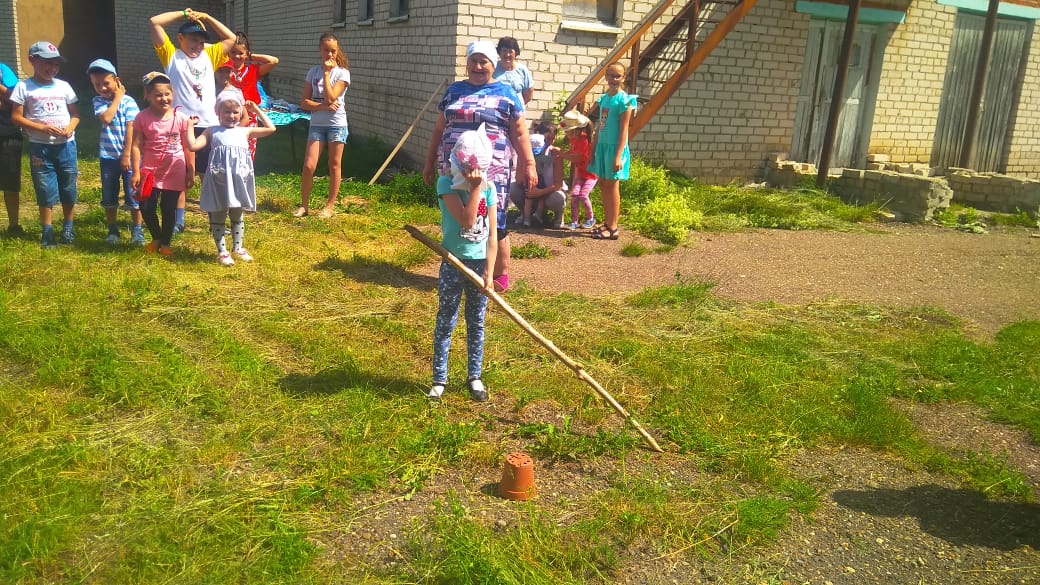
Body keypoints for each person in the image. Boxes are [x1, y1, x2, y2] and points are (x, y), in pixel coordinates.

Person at [424, 40, 536, 293]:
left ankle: (498, 273)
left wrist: (529, 163)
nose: (477, 66)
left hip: (493, 171)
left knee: (495, 220)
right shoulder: (454, 91)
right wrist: (429, 162)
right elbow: (439, 129)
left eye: (483, 61)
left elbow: (520, 133)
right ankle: (459, 270)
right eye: (473, 61)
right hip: (453, 170)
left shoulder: (506, 93)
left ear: (493, 64)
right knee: (458, 219)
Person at [150, 8, 236, 234]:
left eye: (201, 41)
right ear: (180, 38)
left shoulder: (210, 56)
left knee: (210, 175)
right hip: (181, 125)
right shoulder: (171, 56)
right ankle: (178, 221)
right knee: (180, 174)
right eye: (192, 40)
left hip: (207, 126)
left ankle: (215, 222)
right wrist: (183, 14)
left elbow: (231, 38)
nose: (197, 45)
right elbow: (155, 22)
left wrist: (207, 17)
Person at [429, 128, 498, 402]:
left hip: (479, 266)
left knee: (476, 321)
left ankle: (474, 376)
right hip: (453, 262)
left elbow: (492, 235)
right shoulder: (446, 185)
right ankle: (439, 379)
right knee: (446, 319)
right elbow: (468, 222)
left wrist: (490, 274)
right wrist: (475, 188)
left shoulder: (490, 189)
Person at [186, 90, 275, 265]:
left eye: (235, 112)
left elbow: (271, 128)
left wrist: (256, 110)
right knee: (218, 214)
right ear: (218, 112)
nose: (231, 116)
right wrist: (190, 127)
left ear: (241, 113)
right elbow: (193, 146)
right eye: (226, 111)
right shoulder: (212, 131)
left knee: (237, 213)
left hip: (238, 181)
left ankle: (238, 248)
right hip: (219, 181)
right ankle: (222, 252)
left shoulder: (245, 131)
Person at [9, 42, 80, 249]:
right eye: (48, 63)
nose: (52, 68)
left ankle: (68, 226)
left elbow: (75, 114)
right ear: (32, 60)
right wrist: (42, 128)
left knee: (68, 186)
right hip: (40, 148)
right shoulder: (24, 87)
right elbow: (16, 117)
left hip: (66, 146)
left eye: (56, 64)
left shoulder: (63, 86)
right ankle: (47, 230)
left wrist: (71, 127)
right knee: (44, 188)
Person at [131, 71, 194, 257]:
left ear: (173, 94)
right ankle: (156, 237)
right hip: (150, 171)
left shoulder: (181, 118)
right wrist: (136, 171)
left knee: (168, 208)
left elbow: (188, 147)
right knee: (146, 206)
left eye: (167, 94)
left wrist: (190, 171)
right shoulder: (142, 118)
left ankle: (165, 243)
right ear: (148, 95)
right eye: (158, 95)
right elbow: (136, 146)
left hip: (175, 170)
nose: (164, 98)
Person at [87, 58, 145, 246]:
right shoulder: (98, 101)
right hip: (108, 156)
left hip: (129, 157)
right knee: (109, 195)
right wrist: (118, 97)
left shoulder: (129, 102)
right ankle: (113, 230)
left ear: (116, 81)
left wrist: (126, 155)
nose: (102, 88)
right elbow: (106, 118)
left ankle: (137, 230)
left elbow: (131, 129)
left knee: (134, 194)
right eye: (97, 85)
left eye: (106, 83)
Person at [294, 33, 350, 219]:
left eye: (333, 51)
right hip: (317, 125)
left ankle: (330, 206)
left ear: (337, 51)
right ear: (320, 50)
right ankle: (304, 205)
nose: (330, 54)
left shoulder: (342, 73)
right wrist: (323, 107)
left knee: (334, 164)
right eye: (326, 50)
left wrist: (327, 74)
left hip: (336, 125)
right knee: (309, 165)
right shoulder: (312, 72)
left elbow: (332, 97)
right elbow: (304, 102)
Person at [588, 62, 637, 240]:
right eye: (611, 75)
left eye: (618, 76)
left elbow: (624, 131)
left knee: (612, 185)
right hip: (602, 146)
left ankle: (613, 227)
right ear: (606, 76)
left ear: (624, 78)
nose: (614, 79)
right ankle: (608, 222)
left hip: (615, 148)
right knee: (603, 184)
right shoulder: (604, 99)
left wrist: (618, 156)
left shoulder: (625, 101)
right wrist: (593, 149)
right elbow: (600, 125)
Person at [222, 31, 278, 160]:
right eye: (233, 52)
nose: (237, 56)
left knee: (247, 151)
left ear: (246, 54)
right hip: (229, 115)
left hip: (250, 117)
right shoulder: (224, 70)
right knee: (229, 149)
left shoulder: (252, 70)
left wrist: (251, 56)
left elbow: (274, 61)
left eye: (241, 53)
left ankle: (247, 172)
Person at [509, 129, 566, 229]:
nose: (550, 142)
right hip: (532, 185)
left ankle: (557, 216)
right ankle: (526, 215)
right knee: (514, 189)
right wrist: (524, 162)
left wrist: (539, 192)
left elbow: (558, 184)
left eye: (553, 139)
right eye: (547, 139)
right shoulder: (525, 154)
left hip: (549, 190)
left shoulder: (554, 152)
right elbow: (519, 180)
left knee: (558, 198)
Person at [560, 109, 597, 229]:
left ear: (576, 130)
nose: (566, 133)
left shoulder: (584, 141)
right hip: (581, 173)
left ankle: (590, 219)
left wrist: (562, 155)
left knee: (583, 195)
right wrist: (564, 153)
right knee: (575, 195)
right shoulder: (574, 139)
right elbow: (573, 152)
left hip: (591, 175)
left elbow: (577, 157)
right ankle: (574, 221)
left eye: (568, 131)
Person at [0, 60, 22, 236]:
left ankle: (14, 225)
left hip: (8, 133)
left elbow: (14, 99)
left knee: (11, 181)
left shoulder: (2, 69)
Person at [493, 36, 534, 105]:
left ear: (516, 53)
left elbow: (529, 92)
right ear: (499, 52)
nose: (507, 54)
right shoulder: (493, 68)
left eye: (510, 51)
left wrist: (518, 105)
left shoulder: (522, 70)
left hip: (517, 110)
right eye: (504, 51)